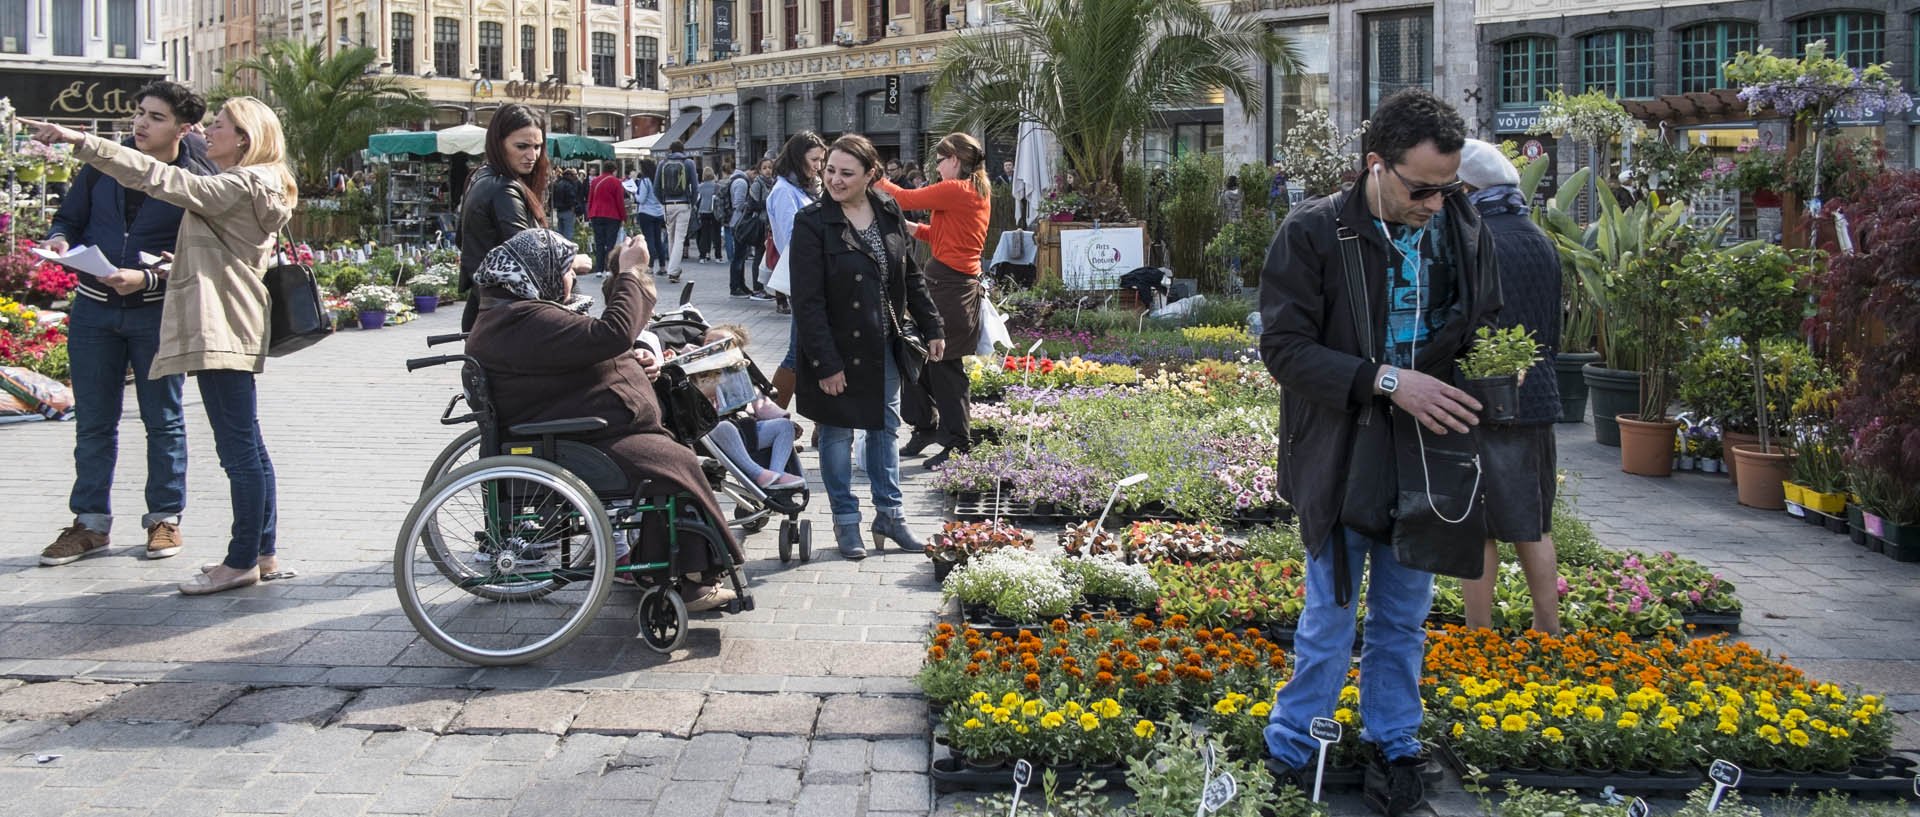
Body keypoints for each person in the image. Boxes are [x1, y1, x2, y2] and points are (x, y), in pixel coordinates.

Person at [1256, 88, 1499, 817]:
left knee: (1405, 613)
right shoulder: (1315, 232)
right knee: (1328, 615)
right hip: (1339, 452)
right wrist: (1388, 380)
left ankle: (1396, 740)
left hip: (1425, 456)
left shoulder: (1461, 224)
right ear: (1376, 165)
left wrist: (1494, 364)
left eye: (1448, 186)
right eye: (1422, 187)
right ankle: (1293, 745)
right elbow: (1285, 349)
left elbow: (1479, 320)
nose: (1435, 201)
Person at [25, 96, 303, 596]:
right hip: (229, 319)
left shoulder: (239, 183)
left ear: (244, 137)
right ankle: (261, 551)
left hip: (219, 324)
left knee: (238, 451)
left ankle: (240, 561)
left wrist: (82, 140)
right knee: (250, 449)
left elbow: (164, 180)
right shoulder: (259, 182)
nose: (207, 133)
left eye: (217, 126)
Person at [464, 230, 745, 611]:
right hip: (576, 438)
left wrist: (632, 361)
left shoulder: (513, 314)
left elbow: (590, 347)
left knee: (673, 454)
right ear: (537, 271)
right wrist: (630, 274)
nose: (571, 280)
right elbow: (610, 334)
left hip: (577, 423)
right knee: (673, 464)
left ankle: (674, 568)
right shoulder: (524, 320)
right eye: (566, 271)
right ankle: (686, 579)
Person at [37, 80, 214, 568]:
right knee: (94, 423)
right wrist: (57, 240)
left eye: (155, 117)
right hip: (93, 311)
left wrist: (148, 276)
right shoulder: (102, 167)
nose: (140, 123)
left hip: (156, 313)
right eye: (139, 113)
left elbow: (202, 251)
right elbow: (68, 219)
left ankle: (164, 519)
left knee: (164, 420)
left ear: (183, 128)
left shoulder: (196, 179)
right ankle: (89, 525)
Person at [789, 133, 944, 561]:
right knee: (838, 435)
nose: (834, 180)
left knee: (884, 430)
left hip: (883, 343)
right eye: (830, 170)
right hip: (834, 348)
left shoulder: (887, 209)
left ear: (870, 175)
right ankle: (845, 521)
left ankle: (890, 517)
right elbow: (806, 301)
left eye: (845, 173)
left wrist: (931, 324)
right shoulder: (812, 222)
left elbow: (909, 274)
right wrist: (825, 363)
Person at [1455, 139, 1563, 636]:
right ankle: (1548, 630)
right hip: (1538, 396)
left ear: (1467, 187)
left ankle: (1478, 634)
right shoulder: (1539, 238)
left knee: (1479, 525)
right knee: (1532, 523)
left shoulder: (1476, 239)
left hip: (1487, 399)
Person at [878, 132, 992, 469]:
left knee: (944, 366)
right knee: (917, 355)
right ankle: (926, 428)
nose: (938, 167)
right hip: (947, 284)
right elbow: (948, 234)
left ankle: (957, 442)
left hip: (952, 288)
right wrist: (915, 229)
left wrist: (873, 173)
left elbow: (903, 197)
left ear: (954, 160)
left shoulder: (957, 188)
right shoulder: (972, 191)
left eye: (940, 161)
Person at [457, 103, 551, 330]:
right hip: (506, 317)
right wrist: (572, 262)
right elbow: (530, 256)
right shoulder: (503, 188)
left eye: (537, 147)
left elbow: (461, 239)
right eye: (522, 146)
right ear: (499, 144)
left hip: (489, 312)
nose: (532, 155)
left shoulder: (481, 176)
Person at [693, 324, 806, 490]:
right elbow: (702, 389)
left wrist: (782, 417)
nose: (713, 347)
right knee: (723, 426)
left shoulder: (740, 370)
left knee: (784, 426)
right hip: (709, 432)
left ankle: (777, 473)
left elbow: (763, 405)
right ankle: (756, 473)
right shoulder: (694, 368)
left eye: (721, 345)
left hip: (743, 427)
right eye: (709, 342)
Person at [765, 131, 828, 401]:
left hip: (815, 277)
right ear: (798, 157)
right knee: (798, 351)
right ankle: (772, 419)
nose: (819, 166)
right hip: (805, 279)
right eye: (814, 159)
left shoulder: (804, 189)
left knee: (809, 350)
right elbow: (797, 237)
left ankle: (814, 425)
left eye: (821, 160)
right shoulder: (783, 192)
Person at [655, 140, 698, 282]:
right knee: (680, 238)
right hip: (683, 203)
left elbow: (656, 188)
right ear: (682, 150)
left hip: (668, 204)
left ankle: (674, 268)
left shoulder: (662, 164)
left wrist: (663, 201)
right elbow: (695, 187)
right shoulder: (689, 163)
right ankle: (673, 271)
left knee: (671, 237)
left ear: (670, 151)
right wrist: (691, 202)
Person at [742, 160, 777, 300]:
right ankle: (757, 289)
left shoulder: (774, 183)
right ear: (759, 170)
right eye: (764, 168)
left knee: (765, 255)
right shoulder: (757, 184)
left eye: (770, 168)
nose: (767, 170)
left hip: (770, 224)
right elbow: (752, 205)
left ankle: (764, 287)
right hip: (760, 224)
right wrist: (768, 202)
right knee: (759, 255)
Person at [585, 162, 628, 276]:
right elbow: (620, 201)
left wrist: (589, 214)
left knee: (599, 242)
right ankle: (609, 268)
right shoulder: (616, 182)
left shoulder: (594, 181)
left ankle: (599, 269)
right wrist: (624, 217)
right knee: (610, 243)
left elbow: (590, 199)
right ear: (613, 170)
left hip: (596, 214)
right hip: (612, 215)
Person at [629, 160, 668, 275]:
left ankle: (650, 266)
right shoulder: (659, 180)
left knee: (649, 240)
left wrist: (634, 193)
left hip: (646, 213)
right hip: (658, 212)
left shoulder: (645, 181)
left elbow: (641, 199)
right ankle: (662, 266)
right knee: (658, 241)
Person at [725, 164, 756, 296]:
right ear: (751, 171)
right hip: (738, 223)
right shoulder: (742, 182)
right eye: (755, 175)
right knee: (738, 256)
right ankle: (735, 286)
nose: (755, 179)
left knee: (741, 256)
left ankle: (740, 285)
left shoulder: (737, 179)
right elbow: (738, 204)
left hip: (736, 222)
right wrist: (752, 205)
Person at [694, 166, 722, 263]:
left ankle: (703, 256)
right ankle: (718, 256)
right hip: (714, 211)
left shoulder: (700, 186)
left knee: (704, 235)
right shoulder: (717, 186)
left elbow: (697, 199)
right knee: (716, 234)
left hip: (703, 211)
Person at [550, 168, 582, 243]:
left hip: (559, 210)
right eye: (573, 175)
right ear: (568, 175)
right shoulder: (569, 185)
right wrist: (573, 207)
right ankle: (568, 251)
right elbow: (571, 197)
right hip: (568, 210)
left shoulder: (559, 184)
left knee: (560, 233)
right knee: (568, 234)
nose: (575, 177)